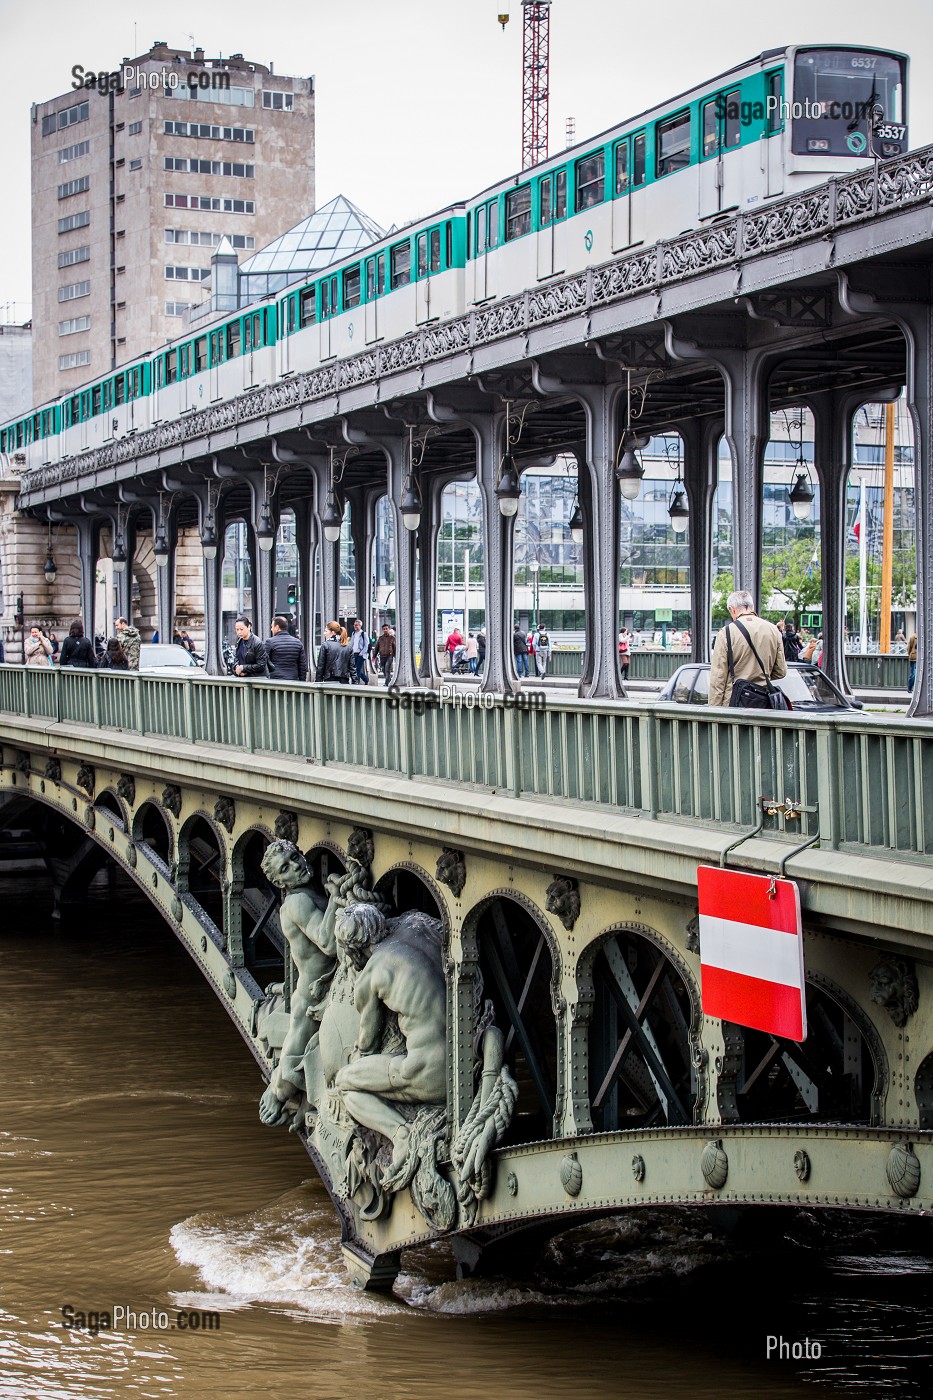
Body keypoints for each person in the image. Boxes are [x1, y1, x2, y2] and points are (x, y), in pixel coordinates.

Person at [709, 590, 786, 707]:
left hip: (734, 704)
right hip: (763, 704)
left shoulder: (727, 632)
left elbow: (718, 678)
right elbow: (781, 672)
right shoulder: (773, 630)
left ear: (732, 609)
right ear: (752, 607)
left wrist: (713, 710)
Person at [265, 615, 307, 682]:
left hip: (275, 681)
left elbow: (264, 662)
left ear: (277, 627)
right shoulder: (298, 643)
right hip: (293, 680)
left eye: (272, 627)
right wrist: (302, 682)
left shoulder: (270, 642)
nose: (271, 629)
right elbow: (302, 666)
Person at [348, 618, 370, 685]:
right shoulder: (353, 633)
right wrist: (349, 650)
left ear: (360, 626)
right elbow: (351, 643)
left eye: (357, 625)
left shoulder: (364, 634)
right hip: (354, 653)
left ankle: (356, 682)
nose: (355, 626)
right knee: (355, 668)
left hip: (361, 654)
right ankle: (366, 679)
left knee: (357, 668)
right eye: (355, 625)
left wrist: (362, 652)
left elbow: (366, 645)